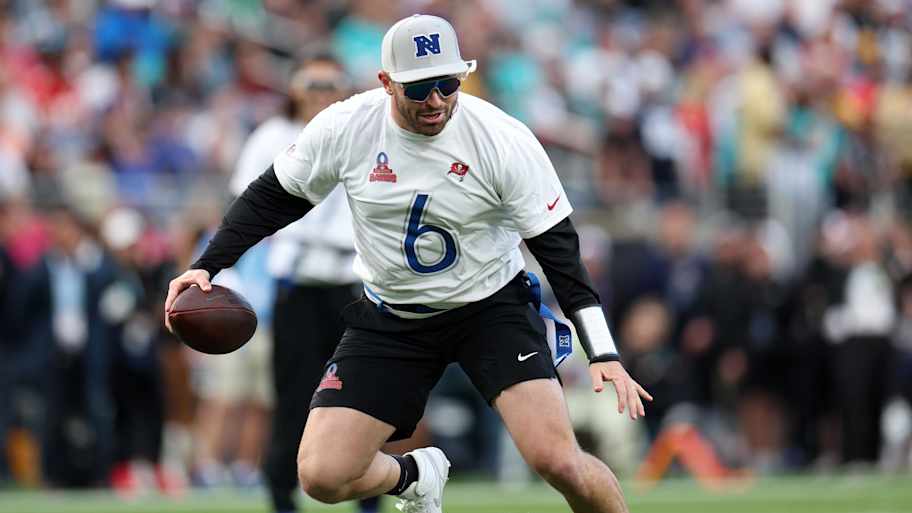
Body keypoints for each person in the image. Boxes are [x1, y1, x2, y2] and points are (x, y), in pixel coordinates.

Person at [166, 14, 651, 513]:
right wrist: (208, 265)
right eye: (421, 88)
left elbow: (559, 252)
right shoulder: (348, 125)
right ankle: (415, 474)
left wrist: (604, 352)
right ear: (386, 83)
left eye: (448, 83)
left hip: (490, 308)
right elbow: (274, 196)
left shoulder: (501, 138)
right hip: (393, 315)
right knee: (321, 475)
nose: (437, 100)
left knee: (558, 461)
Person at [229, 54, 383, 513]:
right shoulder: (272, 137)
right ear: (294, 86)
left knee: (362, 392)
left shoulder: (361, 134)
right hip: (296, 278)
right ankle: (281, 490)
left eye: (330, 81)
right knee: (293, 393)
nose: (320, 91)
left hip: (349, 280)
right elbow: (248, 205)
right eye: (311, 81)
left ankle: (366, 490)